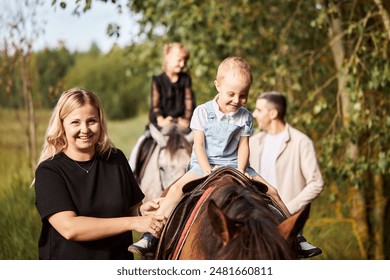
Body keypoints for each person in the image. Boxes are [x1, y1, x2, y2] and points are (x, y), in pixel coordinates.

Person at [128, 57, 292, 256]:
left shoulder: (245, 116)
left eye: (243, 95)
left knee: (272, 192)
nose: (236, 100)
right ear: (218, 86)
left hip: (234, 164)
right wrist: (206, 170)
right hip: (204, 163)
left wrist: (241, 171)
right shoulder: (202, 112)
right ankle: (151, 235)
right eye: (231, 94)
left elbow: (243, 147)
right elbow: (198, 145)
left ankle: (295, 236)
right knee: (176, 190)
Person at [34, 88, 166, 260]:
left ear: (101, 122)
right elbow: (70, 228)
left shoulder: (116, 159)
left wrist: (142, 212)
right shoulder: (49, 171)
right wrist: (133, 222)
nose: (85, 129)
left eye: (91, 121)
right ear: (62, 125)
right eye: (75, 122)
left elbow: (132, 210)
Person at [249, 91, 324, 258]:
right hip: (255, 218)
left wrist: (287, 209)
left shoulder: (301, 142)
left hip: (286, 221)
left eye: (259, 110)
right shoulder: (253, 141)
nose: (254, 114)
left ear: (273, 113)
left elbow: (316, 183)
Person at [129, 42, 195, 173]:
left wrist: (187, 118)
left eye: (184, 61)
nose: (182, 64)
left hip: (182, 123)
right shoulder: (158, 80)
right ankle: (132, 171)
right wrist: (160, 118)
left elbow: (189, 101)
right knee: (142, 141)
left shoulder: (185, 79)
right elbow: (155, 104)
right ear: (168, 57)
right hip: (162, 123)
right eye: (180, 60)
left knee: (199, 141)